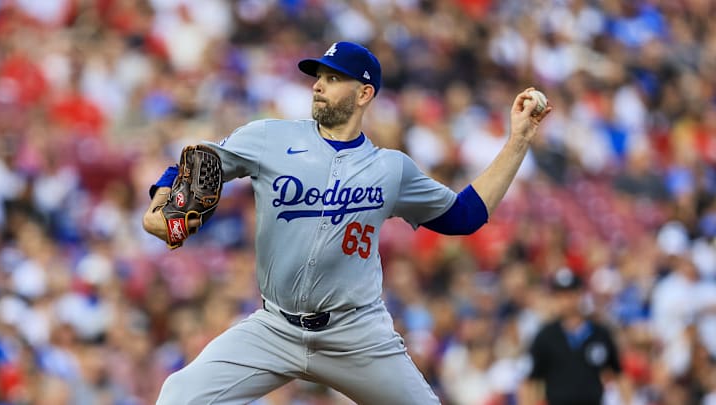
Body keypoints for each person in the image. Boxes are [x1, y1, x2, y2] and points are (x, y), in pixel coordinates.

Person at [142, 41, 551, 404]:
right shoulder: (268, 137)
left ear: (364, 93)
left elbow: (464, 216)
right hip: (275, 327)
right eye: (319, 76)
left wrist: (517, 141)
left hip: (355, 333)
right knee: (179, 394)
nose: (319, 84)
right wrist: (160, 206)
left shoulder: (391, 169)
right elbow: (200, 161)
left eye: (334, 78)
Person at [520, 267, 631, 405]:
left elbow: (619, 374)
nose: (566, 300)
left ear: (580, 294)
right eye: (561, 295)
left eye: (571, 294)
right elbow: (530, 381)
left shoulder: (600, 333)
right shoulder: (546, 336)